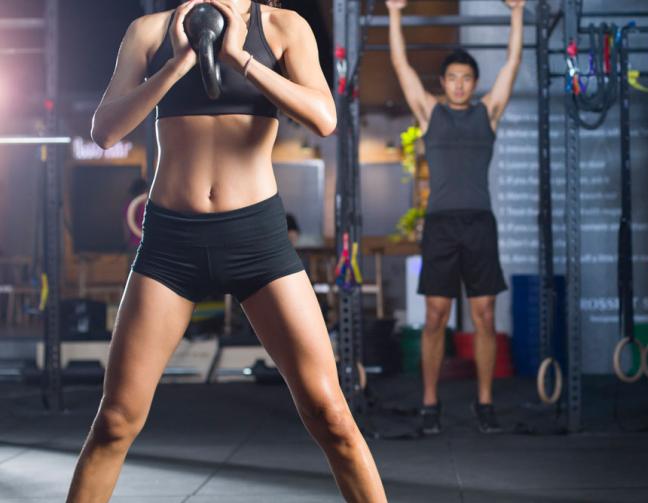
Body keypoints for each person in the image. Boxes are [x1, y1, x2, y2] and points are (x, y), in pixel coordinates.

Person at [67, 1, 386, 502]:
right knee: (114, 421)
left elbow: (325, 119)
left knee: (332, 416)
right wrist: (177, 64)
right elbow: (105, 130)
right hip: (172, 243)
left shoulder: (284, 27)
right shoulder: (150, 31)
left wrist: (240, 59)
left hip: (256, 237)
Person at [387, 0, 524, 435]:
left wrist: (517, 12)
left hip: (480, 223)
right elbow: (400, 64)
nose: (460, 84)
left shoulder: (489, 112)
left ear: (474, 83)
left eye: (467, 78)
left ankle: (484, 404)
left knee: (484, 316)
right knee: (434, 317)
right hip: (442, 225)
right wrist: (393, 11)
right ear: (443, 83)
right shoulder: (431, 112)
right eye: (453, 78)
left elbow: (513, 63)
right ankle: (430, 403)